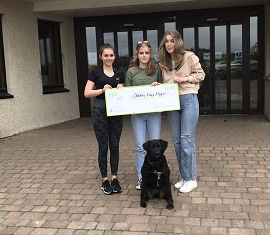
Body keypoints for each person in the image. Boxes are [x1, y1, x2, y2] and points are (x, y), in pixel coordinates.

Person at [158, 30, 205, 193]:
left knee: (186, 139)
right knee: (177, 142)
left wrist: (185, 79)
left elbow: (201, 74)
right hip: (172, 101)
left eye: (171, 41)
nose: (169, 44)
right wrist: (159, 85)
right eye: (166, 41)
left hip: (188, 99)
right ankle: (184, 177)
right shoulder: (163, 60)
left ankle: (191, 178)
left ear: (177, 42)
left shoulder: (189, 56)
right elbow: (166, 81)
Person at [84, 43, 125, 195]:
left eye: (111, 55)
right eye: (105, 55)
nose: (108, 58)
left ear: (115, 57)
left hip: (116, 112)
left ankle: (114, 177)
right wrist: (102, 90)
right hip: (100, 111)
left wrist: (121, 89)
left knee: (115, 145)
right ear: (101, 57)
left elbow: (122, 92)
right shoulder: (95, 73)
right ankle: (104, 179)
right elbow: (87, 93)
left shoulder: (119, 72)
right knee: (103, 146)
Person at [125, 41, 163, 190]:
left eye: (147, 53)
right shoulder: (131, 72)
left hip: (153, 114)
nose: (144, 55)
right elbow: (127, 94)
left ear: (150, 54)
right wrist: (130, 108)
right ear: (137, 55)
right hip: (138, 115)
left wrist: (159, 87)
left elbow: (164, 90)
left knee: (156, 146)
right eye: (141, 53)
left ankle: (156, 176)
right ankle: (142, 178)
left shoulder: (157, 70)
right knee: (141, 147)